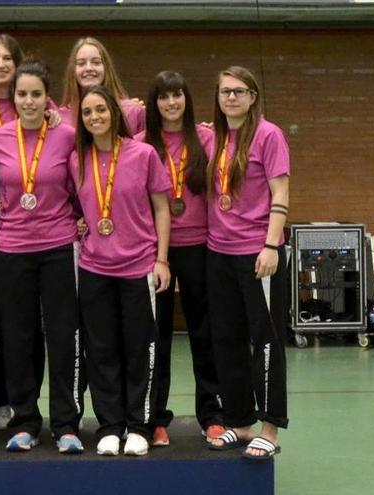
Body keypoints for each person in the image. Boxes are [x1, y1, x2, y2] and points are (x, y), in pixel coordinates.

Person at [0, 59, 84, 454]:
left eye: (36, 94)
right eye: (22, 94)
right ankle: (25, 421)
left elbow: (88, 181)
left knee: (62, 336)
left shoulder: (68, 136)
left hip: (58, 247)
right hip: (10, 250)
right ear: (14, 96)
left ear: (48, 99)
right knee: (18, 338)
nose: (28, 101)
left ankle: (66, 424)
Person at [71, 85, 172, 457]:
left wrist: (161, 260)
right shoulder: (76, 159)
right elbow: (74, 205)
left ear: (115, 113)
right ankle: (110, 425)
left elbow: (162, 209)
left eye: (101, 109)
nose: (94, 117)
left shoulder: (143, 154)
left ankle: (139, 424)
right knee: (101, 350)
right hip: (95, 266)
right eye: (87, 112)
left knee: (139, 347)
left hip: (138, 266)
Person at [204, 66, 290, 461]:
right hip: (218, 252)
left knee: (266, 343)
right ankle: (241, 422)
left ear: (253, 97)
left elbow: (280, 191)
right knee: (227, 340)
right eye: (225, 92)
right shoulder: (215, 137)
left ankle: (270, 428)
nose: (232, 98)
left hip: (258, 254)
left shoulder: (268, 134)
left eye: (239, 91)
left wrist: (271, 246)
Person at [137, 71, 225, 447]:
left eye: (177, 96)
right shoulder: (141, 145)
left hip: (200, 247)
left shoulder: (206, 138)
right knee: (155, 336)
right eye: (163, 97)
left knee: (204, 332)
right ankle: (156, 418)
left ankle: (213, 415)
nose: (171, 103)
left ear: (187, 100)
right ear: (153, 104)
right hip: (155, 251)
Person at [59, 37, 145, 134]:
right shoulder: (60, 119)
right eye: (81, 63)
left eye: (96, 62)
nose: (89, 68)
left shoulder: (132, 112)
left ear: (106, 68)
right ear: (73, 71)